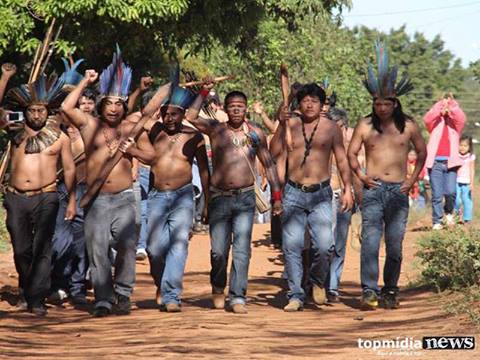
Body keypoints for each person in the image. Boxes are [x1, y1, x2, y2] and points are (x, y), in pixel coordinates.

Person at [61, 47, 166, 317]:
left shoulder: (132, 127)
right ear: (102, 103)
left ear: (123, 106)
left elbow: (152, 157)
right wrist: (85, 81)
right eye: (110, 103)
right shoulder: (88, 125)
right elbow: (65, 107)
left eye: (119, 104)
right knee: (97, 251)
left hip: (124, 198)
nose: (114, 108)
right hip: (95, 200)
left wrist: (132, 151)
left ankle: (122, 293)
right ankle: (103, 298)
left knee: (127, 247)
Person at [187, 86, 283, 314]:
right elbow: (190, 116)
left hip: (245, 198)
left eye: (240, 107)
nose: (236, 110)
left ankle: (237, 296)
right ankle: (218, 287)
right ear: (226, 109)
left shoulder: (256, 134)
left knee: (242, 249)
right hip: (220, 198)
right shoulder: (216, 130)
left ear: (246, 109)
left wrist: (277, 197)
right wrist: (203, 91)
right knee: (218, 251)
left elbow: (269, 164)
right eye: (232, 107)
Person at [348, 40, 427, 310]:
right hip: (373, 190)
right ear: (373, 103)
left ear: (395, 103)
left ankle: (390, 290)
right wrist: (361, 175)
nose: (381, 107)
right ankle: (369, 291)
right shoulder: (365, 125)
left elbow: (423, 153)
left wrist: (412, 180)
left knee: (394, 245)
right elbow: (350, 153)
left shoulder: (409, 127)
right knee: (370, 242)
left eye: (386, 103)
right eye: (377, 102)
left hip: (398, 191)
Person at [121, 77, 209, 312]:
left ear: (182, 114)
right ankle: (162, 283)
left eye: (175, 114)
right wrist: (153, 91)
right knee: (154, 248)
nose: (170, 119)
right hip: (158, 195)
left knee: (179, 245)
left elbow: (203, 169)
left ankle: (172, 295)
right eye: (166, 114)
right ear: (160, 113)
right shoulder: (155, 129)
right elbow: (135, 116)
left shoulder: (194, 137)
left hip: (183, 197)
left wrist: (207, 201)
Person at [273, 83, 353, 312]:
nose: (309, 104)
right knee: (292, 247)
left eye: (315, 101)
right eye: (305, 100)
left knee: (325, 245)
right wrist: (280, 123)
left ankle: (318, 281)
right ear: (299, 103)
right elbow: (273, 151)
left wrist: (347, 188)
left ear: (321, 104)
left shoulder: (331, 128)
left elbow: (342, 159)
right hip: (293, 192)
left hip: (321, 194)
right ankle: (295, 294)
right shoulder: (290, 124)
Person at [2, 70, 77, 316]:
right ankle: (27, 287)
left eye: (41, 110)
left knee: (42, 247)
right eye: (32, 110)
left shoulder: (60, 138)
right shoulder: (15, 130)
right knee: (22, 247)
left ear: (48, 112)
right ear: (25, 111)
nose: (36, 115)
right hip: (15, 196)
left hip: (47, 195)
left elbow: (68, 169)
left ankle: (36, 298)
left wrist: (72, 201)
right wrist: (4, 79)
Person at [325, 107, 361, 303]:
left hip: (345, 198)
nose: (338, 131)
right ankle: (318, 283)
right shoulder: (320, 144)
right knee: (325, 243)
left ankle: (332, 286)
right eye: (334, 127)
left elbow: (355, 175)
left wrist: (359, 199)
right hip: (323, 198)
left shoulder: (351, 147)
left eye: (341, 127)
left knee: (339, 245)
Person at [424, 96, 466, 229]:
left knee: (450, 192)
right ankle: (436, 221)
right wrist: (439, 105)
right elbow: (427, 118)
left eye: (447, 107)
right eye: (445, 107)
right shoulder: (434, 124)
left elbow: (461, 117)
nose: (446, 109)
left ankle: (448, 212)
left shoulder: (456, 125)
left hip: (451, 164)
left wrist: (452, 104)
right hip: (435, 163)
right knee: (436, 194)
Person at [455, 135, 475, 224]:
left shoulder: (471, 157)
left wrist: (472, 183)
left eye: (465, 146)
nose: (462, 147)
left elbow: (472, 169)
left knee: (466, 200)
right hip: (456, 181)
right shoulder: (455, 155)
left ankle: (467, 218)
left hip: (466, 182)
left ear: (469, 147)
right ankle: (456, 216)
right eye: (461, 145)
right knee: (456, 200)